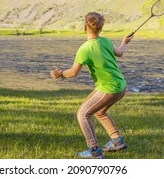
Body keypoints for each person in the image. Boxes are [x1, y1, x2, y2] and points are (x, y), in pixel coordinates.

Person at [50, 12, 133, 159]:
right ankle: (117, 141)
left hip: (108, 89)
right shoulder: (105, 41)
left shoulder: (85, 49)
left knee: (82, 114)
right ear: (101, 29)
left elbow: (73, 73)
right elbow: (119, 52)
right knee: (99, 112)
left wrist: (60, 73)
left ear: (84, 28)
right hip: (121, 86)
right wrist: (124, 42)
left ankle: (94, 150)